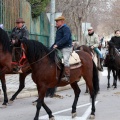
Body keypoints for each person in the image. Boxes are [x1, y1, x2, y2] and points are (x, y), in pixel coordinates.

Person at [51, 16, 72, 82]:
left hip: (66, 47)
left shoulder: (66, 28)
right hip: (59, 47)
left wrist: (57, 44)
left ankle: (67, 76)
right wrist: (51, 47)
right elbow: (57, 40)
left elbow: (66, 38)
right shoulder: (59, 29)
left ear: (62, 22)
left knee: (65, 60)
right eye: (56, 21)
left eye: (57, 21)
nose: (56, 23)